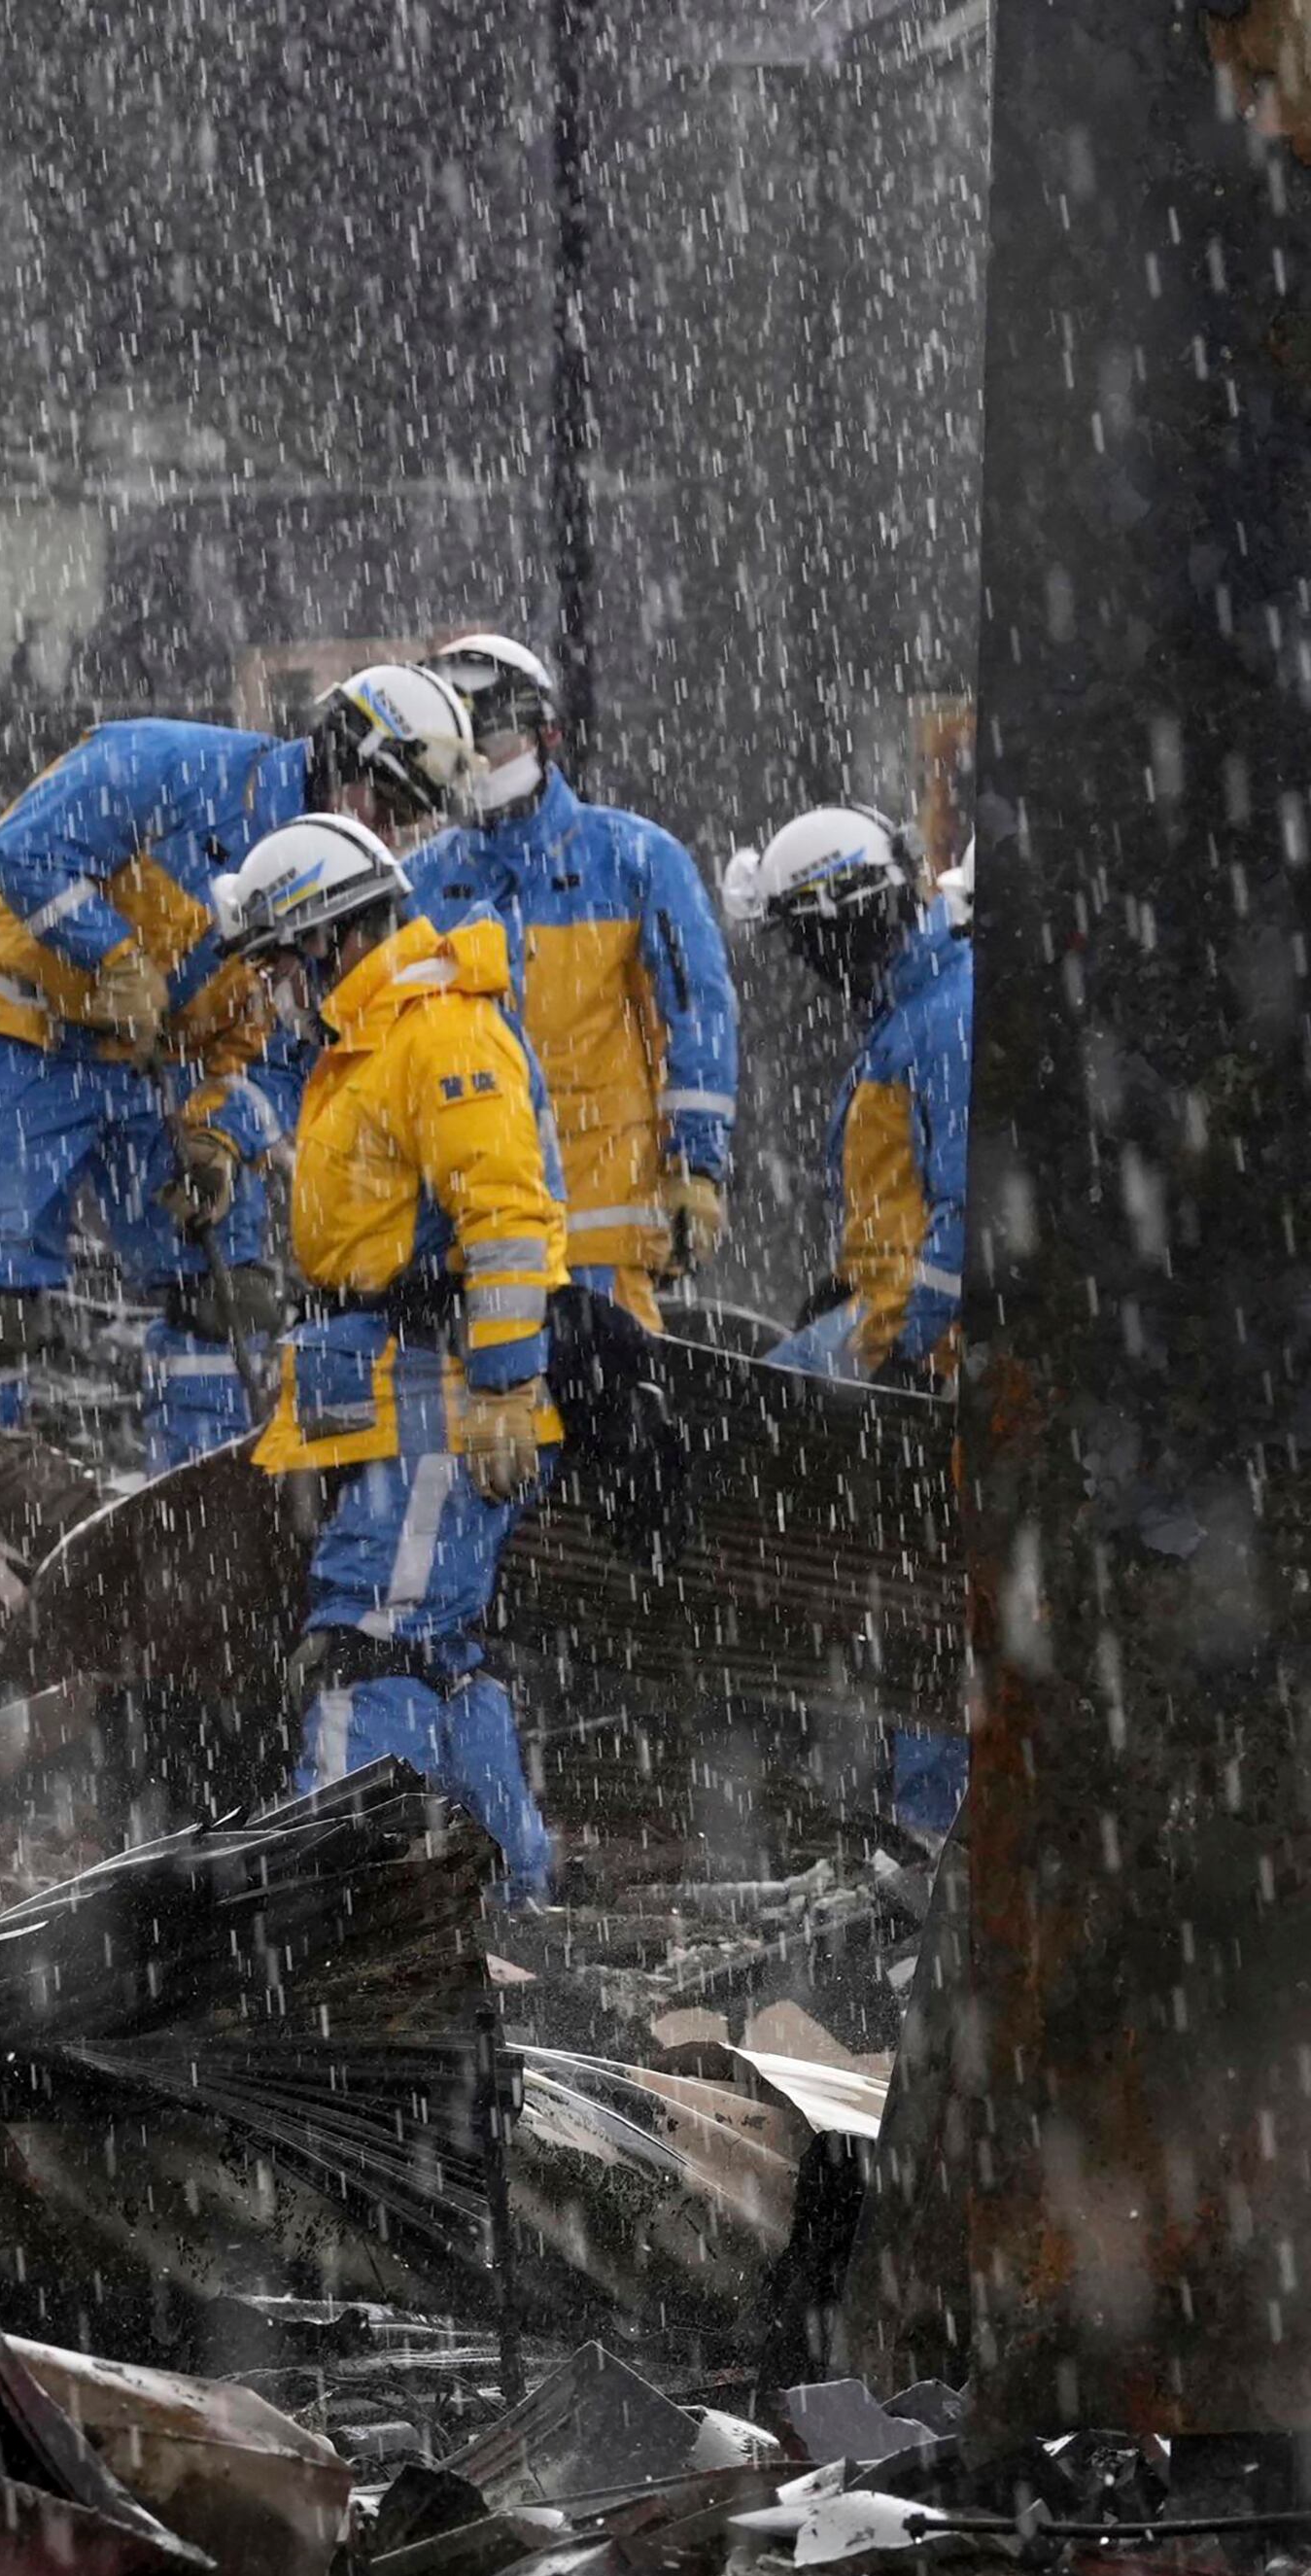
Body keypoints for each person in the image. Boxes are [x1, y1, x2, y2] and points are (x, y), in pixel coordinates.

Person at [0, 665, 479, 1475]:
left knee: (227, 1300)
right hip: (24, 1034)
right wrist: (108, 955)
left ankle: (190, 1507)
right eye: (387, 809)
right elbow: (19, 848)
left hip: (163, 1068)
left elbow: (306, 1049)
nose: (392, 838)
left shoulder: (358, 891)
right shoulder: (165, 766)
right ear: (342, 758)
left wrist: (223, 1134)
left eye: (410, 823)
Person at [217, 813, 566, 1904]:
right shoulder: (368, 1041)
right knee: (433, 1650)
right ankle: (506, 1891)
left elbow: (506, 1217)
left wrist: (507, 1384)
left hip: (438, 1398)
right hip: (393, 1394)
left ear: (321, 935)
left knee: (366, 1640)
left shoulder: (439, 1033)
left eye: (275, 960)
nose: (271, 986)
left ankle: (331, 1901)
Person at [738, 804, 970, 1840]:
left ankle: (925, 1832)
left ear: (840, 924)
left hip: (938, 1365)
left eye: (803, 943)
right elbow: (897, 1206)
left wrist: (898, 1342)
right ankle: (872, 1804)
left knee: (936, 1603)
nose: (805, 969)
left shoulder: (944, 1015)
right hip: (899, 1337)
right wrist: (845, 1301)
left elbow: (965, 1215)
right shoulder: (907, 1011)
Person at [413, 635, 738, 1326]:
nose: (471, 761)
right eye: (452, 740)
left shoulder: (634, 859)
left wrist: (697, 1168)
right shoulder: (422, 880)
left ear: (546, 733)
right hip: (467, 1239)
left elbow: (697, 1013)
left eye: (488, 736)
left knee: (611, 1423)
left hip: (600, 1229)